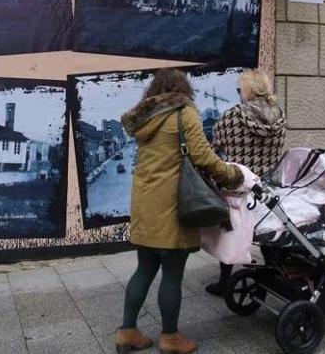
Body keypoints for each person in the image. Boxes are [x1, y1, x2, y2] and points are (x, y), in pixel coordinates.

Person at [115, 68, 244, 354]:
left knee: (145, 268)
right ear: (183, 88)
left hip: (145, 202)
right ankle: (170, 338)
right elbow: (202, 155)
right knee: (172, 274)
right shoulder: (183, 112)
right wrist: (231, 174)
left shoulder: (144, 118)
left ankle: (127, 332)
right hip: (174, 205)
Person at [204, 69, 286, 296]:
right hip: (266, 189)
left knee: (230, 234)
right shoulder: (280, 116)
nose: (239, 92)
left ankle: (224, 282)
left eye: (241, 88)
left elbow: (215, 148)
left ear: (249, 89)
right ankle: (269, 278)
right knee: (268, 233)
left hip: (238, 189)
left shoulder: (233, 116)